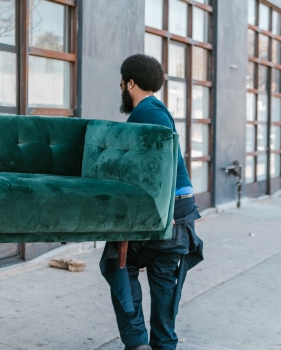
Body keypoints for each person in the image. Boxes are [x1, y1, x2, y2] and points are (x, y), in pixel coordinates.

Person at [100, 54, 204, 350]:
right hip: (177, 211)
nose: (120, 87)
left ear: (130, 83)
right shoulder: (156, 110)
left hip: (167, 212)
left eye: (122, 82)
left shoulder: (147, 113)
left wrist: (163, 210)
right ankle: (157, 344)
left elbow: (162, 164)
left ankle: (137, 342)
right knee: (162, 286)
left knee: (117, 265)